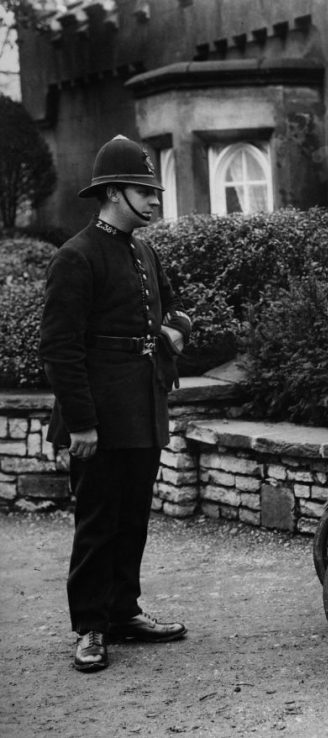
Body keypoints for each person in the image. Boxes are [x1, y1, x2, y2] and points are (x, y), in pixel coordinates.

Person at [39, 135, 192, 673]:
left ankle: (123, 612)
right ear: (111, 194)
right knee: (98, 521)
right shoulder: (76, 257)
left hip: (142, 408)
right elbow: (59, 348)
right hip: (99, 418)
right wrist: (81, 422)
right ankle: (90, 627)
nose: (154, 202)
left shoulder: (143, 250)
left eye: (154, 192)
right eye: (144, 192)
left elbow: (172, 312)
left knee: (133, 519)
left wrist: (174, 333)